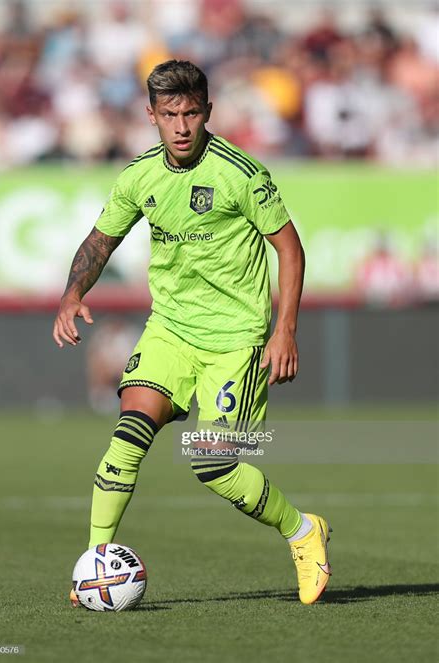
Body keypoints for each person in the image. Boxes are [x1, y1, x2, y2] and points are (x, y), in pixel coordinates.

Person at [53, 60, 331, 605]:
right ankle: (95, 565)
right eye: (169, 115)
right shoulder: (139, 176)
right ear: (151, 115)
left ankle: (302, 530)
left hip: (236, 342)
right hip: (171, 332)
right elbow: (99, 241)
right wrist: (71, 294)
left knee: (212, 462)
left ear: (208, 112)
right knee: (127, 437)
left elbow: (290, 248)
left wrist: (285, 330)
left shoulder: (240, 173)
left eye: (191, 113)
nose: (181, 126)